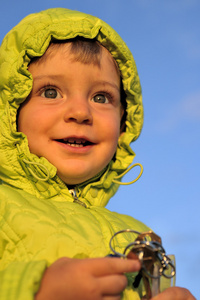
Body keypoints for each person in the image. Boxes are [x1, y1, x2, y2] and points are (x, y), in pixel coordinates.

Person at [0, 7, 195, 300]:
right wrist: (32, 290)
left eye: (101, 97)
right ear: (10, 112)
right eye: (51, 92)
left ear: (124, 122)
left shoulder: (139, 235)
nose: (80, 112)